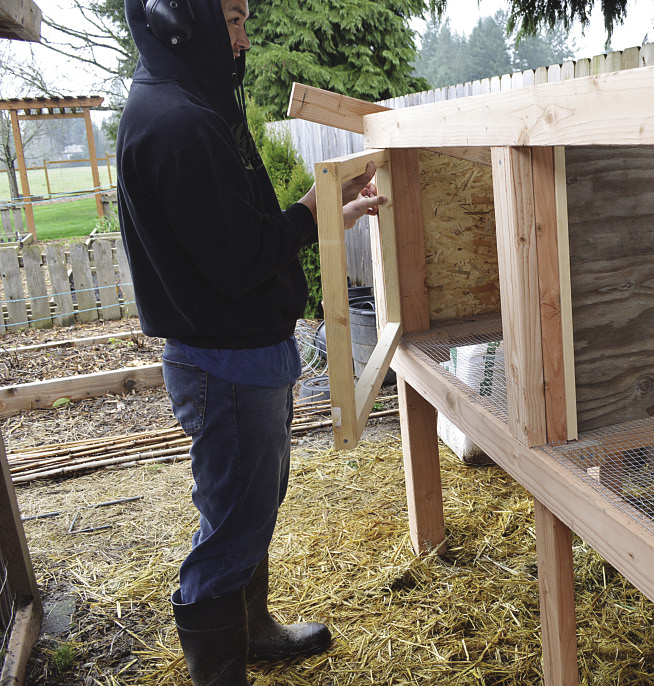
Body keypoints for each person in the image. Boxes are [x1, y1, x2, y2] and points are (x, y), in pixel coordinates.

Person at [117, 0, 386, 683]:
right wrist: (311, 209)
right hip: (226, 361)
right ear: (183, 21)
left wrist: (330, 207)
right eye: (230, 20)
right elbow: (239, 262)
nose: (242, 37)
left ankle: (252, 629)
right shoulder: (180, 125)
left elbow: (237, 230)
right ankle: (221, 670)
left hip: (238, 352)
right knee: (234, 522)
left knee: (248, 505)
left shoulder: (194, 100)